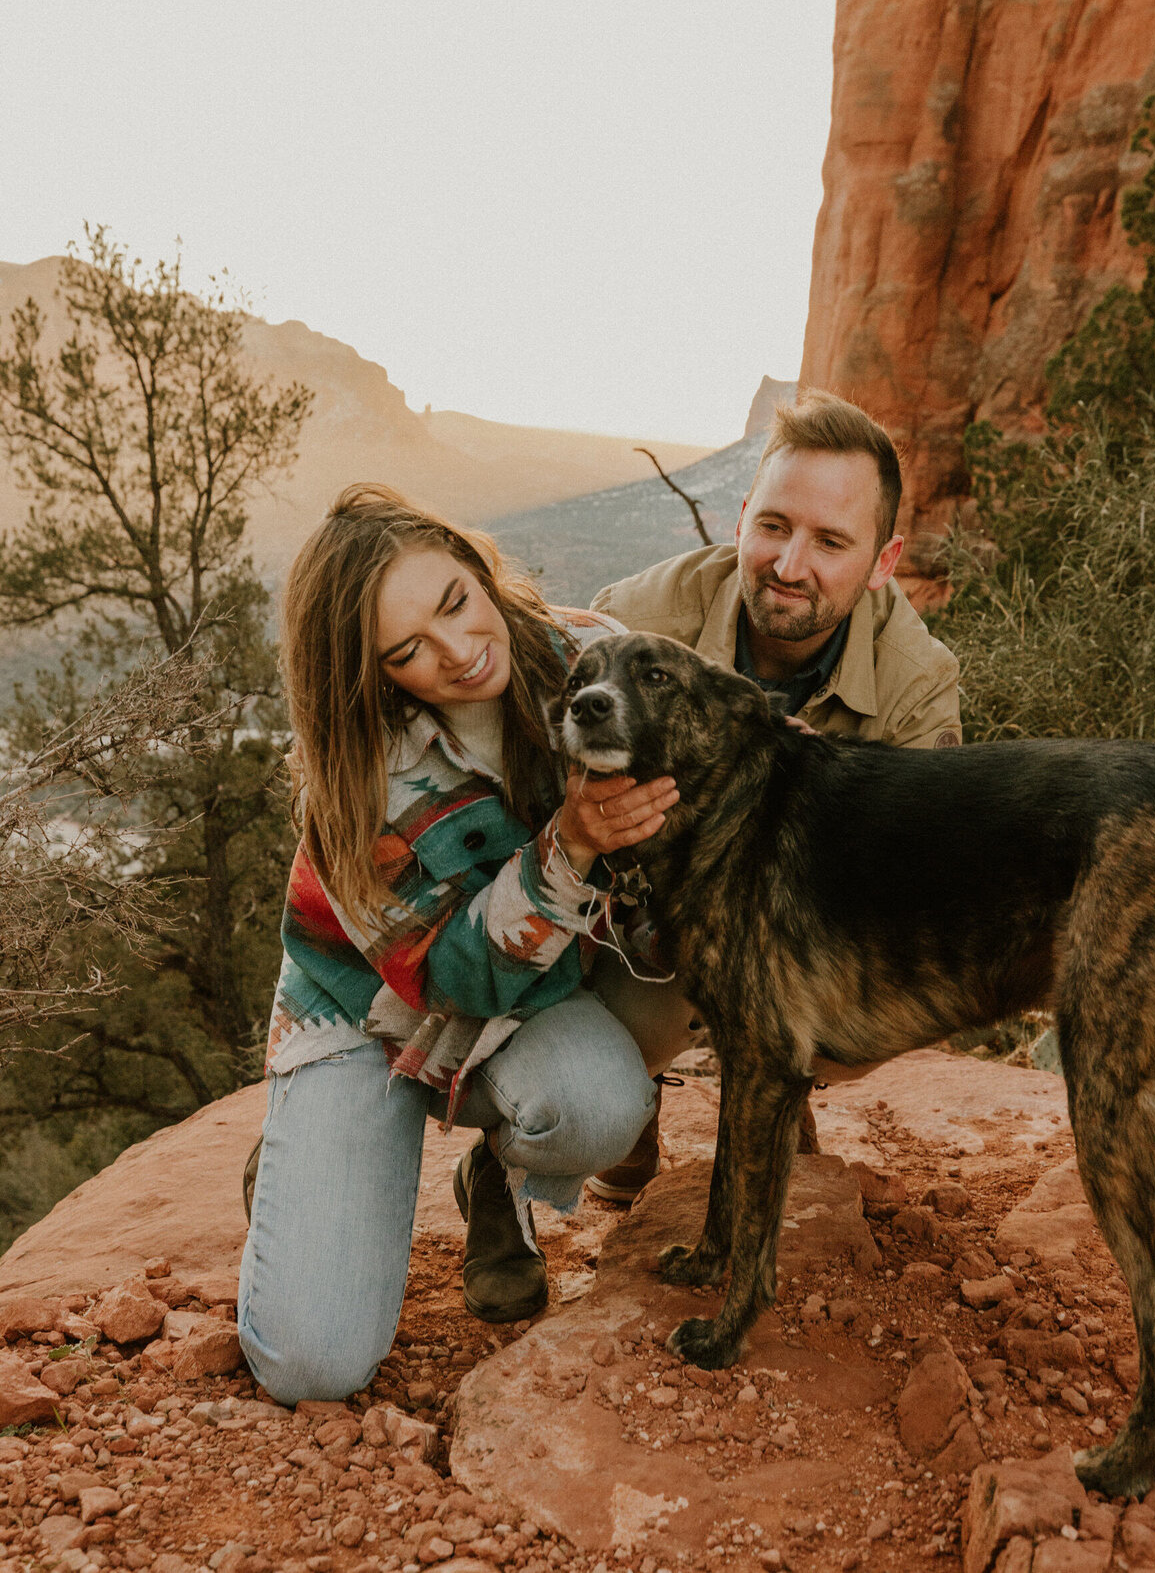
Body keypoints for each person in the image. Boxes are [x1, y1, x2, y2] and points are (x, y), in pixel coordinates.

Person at [238, 485, 678, 1404]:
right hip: (373, 1007)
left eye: (455, 601)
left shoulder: (586, 653)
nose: (459, 651)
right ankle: (313, 1145)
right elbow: (448, 977)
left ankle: (496, 1171)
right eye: (408, 651)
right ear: (370, 672)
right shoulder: (359, 780)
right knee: (310, 1364)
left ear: (472, 563)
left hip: (529, 997)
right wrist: (576, 842)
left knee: (600, 1105)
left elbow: (720, 735)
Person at [584, 388, 962, 1199]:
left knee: (857, 1016)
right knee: (614, 1058)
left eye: (831, 541)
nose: (790, 566)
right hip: (648, 924)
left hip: (803, 929)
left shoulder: (915, 683)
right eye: (775, 527)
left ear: (882, 564)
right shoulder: (635, 619)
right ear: (742, 517)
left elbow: (913, 887)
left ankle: (777, 1081)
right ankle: (633, 1095)